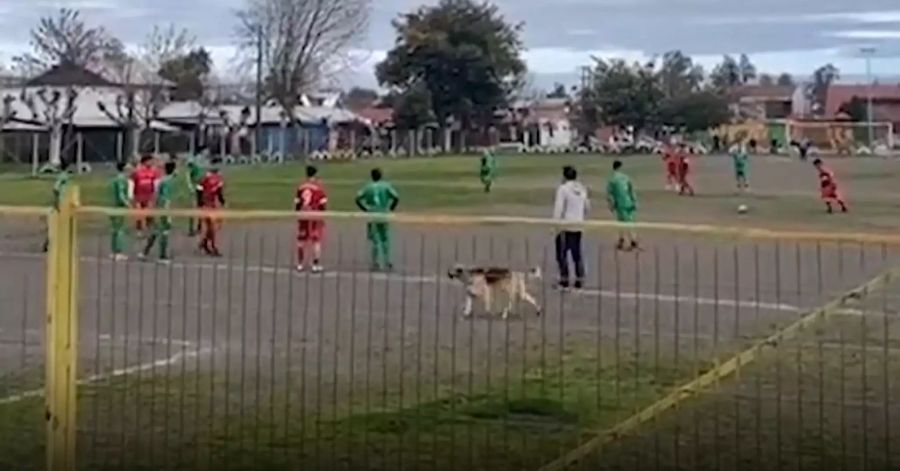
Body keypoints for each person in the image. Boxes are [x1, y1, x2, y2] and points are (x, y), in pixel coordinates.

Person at [552, 165, 589, 289]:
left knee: (561, 254)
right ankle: (579, 279)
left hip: (565, 226)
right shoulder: (582, 188)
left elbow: (559, 208)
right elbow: (587, 207)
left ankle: (564, 279)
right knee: (576, 253)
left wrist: (555, 224)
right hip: (578, 224)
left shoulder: (563, 189)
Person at [355, 168, 399, 271]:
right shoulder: (386, 185)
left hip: (372, 214)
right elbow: (396, 197)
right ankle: (387, 261)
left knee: (375, 240)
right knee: (385, 239)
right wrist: (391, 208)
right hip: (383, 213)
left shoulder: (368, 187)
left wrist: (364, 209)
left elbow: (357, 199)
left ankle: (375, 263)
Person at [140, 160, 177, 263]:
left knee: (156, 231)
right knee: (164, 232)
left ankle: (144, 252)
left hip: (158, 208)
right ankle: (162, 256)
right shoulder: (167, 182)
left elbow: (155, 194)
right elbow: (164, 197)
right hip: (163, 209)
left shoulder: (162, 180)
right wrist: (167, 211)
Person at [295, 165, 328, 273]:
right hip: (315, 215)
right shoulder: (318, 187)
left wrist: (298, 214)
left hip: (303, 214)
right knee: (316, 240)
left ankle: (300, 264)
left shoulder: (301, 187)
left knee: (301, 240)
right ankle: (315, 264)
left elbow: (297, 203)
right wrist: (322, 215)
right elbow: (323, 203)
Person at [606, 160, 639, 251]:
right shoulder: (626, 177)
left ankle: (626, 240)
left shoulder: (612, 179)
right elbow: (631, 190)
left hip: (620, 204)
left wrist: (611, 205)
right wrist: (634, 201)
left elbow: (609, 194)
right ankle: (630, 239)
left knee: (621, 223)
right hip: (629, 202)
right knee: (630, 221)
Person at [43, 161, 73, 253]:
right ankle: (50, 243)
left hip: (64, 203)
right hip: (62, 203)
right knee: (59, 225)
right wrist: (57, 201)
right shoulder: (63, 177)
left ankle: (51, 243)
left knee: (58, 225)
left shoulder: (65, 176)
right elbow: (56, 188)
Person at [198, 158, 226, 256]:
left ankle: (204, 243)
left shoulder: (217, 178)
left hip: (212, 205)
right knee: (212, 227)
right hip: (207, 205)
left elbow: (219, 191)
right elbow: (200, 190)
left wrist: (222, 201)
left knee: (212, 227)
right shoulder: (206, 178)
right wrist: (200, 203)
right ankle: (213, 247)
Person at [131, 154, 161, 236]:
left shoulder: (154, 172)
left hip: (149, 196)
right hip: (138, 196)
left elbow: (156, 184)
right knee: (139, 215)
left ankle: (149, 230)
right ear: (145, 162)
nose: (152, 163)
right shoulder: (137, 172)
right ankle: (139, 231)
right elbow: (132, 183)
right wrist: (130, 195)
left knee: (150, 214)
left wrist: (156, 194)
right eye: (150, 161)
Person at [109, 162, 132, 261]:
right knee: (119, 230)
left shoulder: (116, 178)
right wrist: (128, 204)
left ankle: (114, 252)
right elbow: (121, 194)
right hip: (119, 207)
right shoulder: (122, 179)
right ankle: (118, 252)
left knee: (115, 229)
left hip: (112, 206)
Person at [185, 147, 207, 236]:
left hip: (203, 187)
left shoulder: (205, 162)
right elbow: (188, 174)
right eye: (205, 151)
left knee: (202, 207)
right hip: (195, 186)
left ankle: (199, 226)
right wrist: (190, 186)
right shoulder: (193, 162)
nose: (207, 153)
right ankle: (191, 228)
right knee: (194, 208)